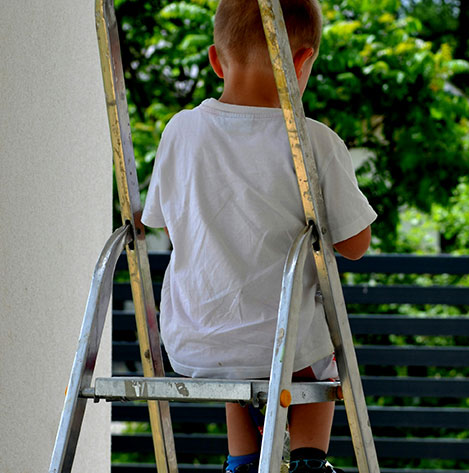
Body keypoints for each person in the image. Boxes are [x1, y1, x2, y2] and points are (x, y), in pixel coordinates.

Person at [141, 0, 377, 472]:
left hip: (192, 339)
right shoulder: (313, 141)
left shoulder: (180, 131)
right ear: (303, 61)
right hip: (280, 342)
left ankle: (243, 461)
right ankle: (309, 460)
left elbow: (168, 223)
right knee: (315, 346)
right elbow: (355, 245)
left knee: (241, 344)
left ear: (214, 59)